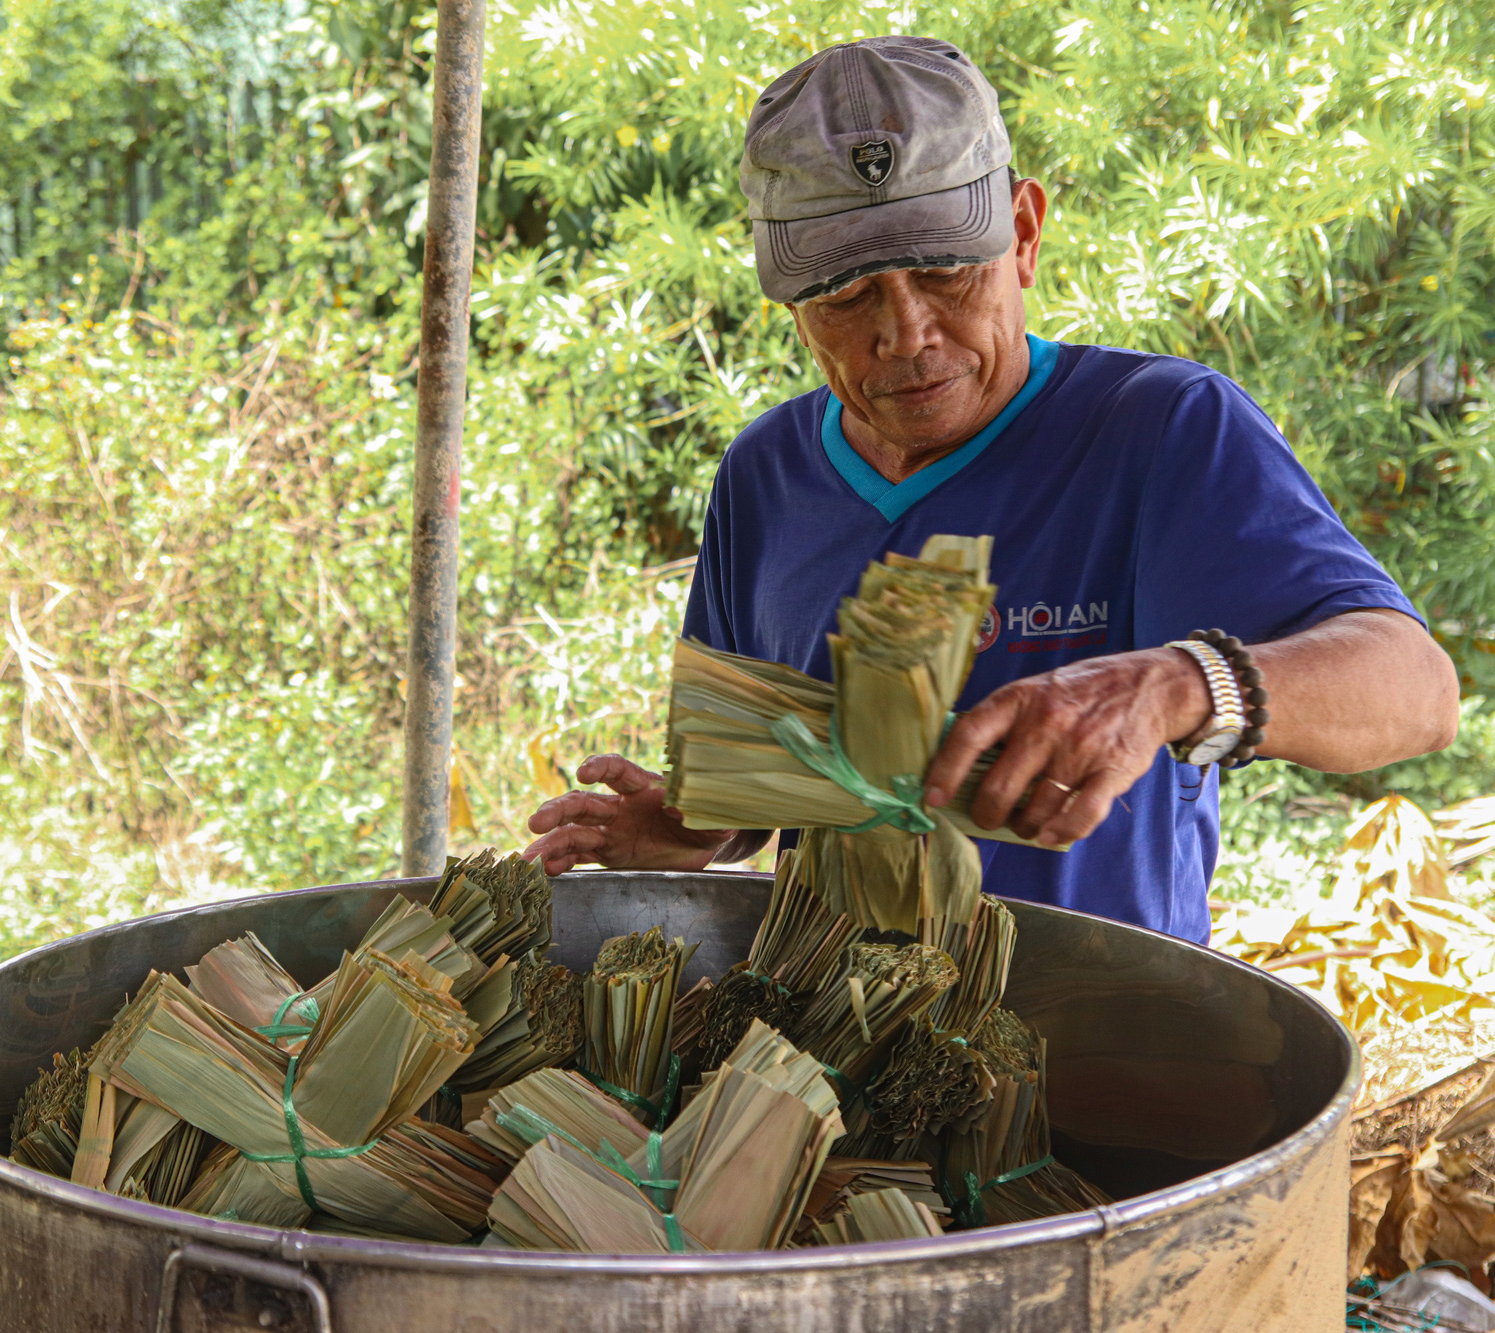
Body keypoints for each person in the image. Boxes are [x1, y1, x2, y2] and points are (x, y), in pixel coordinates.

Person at [521, 35, 1459, 942]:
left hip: (1101, 1038)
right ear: (796, 308)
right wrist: (706, 827)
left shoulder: (1160, 429)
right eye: (846, 298)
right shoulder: (765, 475)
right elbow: (778, 783)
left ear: (1022, 234)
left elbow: (1416, 692)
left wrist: (1177, 685)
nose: (907, 332)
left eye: (944, 272)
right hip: (829, 1047)